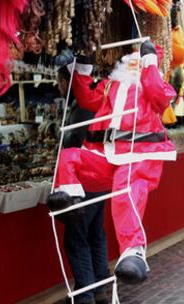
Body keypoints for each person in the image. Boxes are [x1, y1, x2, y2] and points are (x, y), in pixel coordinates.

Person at [47, 41, 177, 285]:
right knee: (69, 157)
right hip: (107, 154)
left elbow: (161, 96)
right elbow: (87, 98)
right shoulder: (111, 87)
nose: (134, 62)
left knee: (125, 191)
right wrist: (83, 66)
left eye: (140, 59)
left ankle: (133, 252)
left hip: (140, 154)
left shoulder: (153, 87)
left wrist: (150, 65)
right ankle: (71, 200)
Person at [56, 66, 109, 304]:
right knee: (95, 233)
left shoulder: (82, 108)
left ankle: (85, 295)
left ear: (68, 82)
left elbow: (74, 144)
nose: (59, 86)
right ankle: (101, 288)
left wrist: (62, 139)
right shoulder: (95, 103)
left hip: (83, 181)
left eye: (60, 81)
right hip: (100, 179)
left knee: (77, 238)